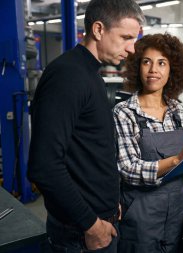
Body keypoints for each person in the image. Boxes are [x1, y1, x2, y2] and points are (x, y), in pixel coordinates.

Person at [27, 0, 144, 252]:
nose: (132, 49)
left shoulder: (90, 73)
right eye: (126, 37)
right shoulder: (67, 76)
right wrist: (91, 225)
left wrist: (111, 202)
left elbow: (89, 150)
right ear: (99, 30)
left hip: (103, 216)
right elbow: (45, 166)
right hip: (82, 233)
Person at [113, 33, 183, 253]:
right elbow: (128, 170)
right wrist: (178, 158)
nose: (153, 70)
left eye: (162, 63)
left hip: (176, 210)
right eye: (146, 62)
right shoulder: (125, 112)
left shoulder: (177, 110)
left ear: (172, 70)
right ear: (137, 67)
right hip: (140, 212)